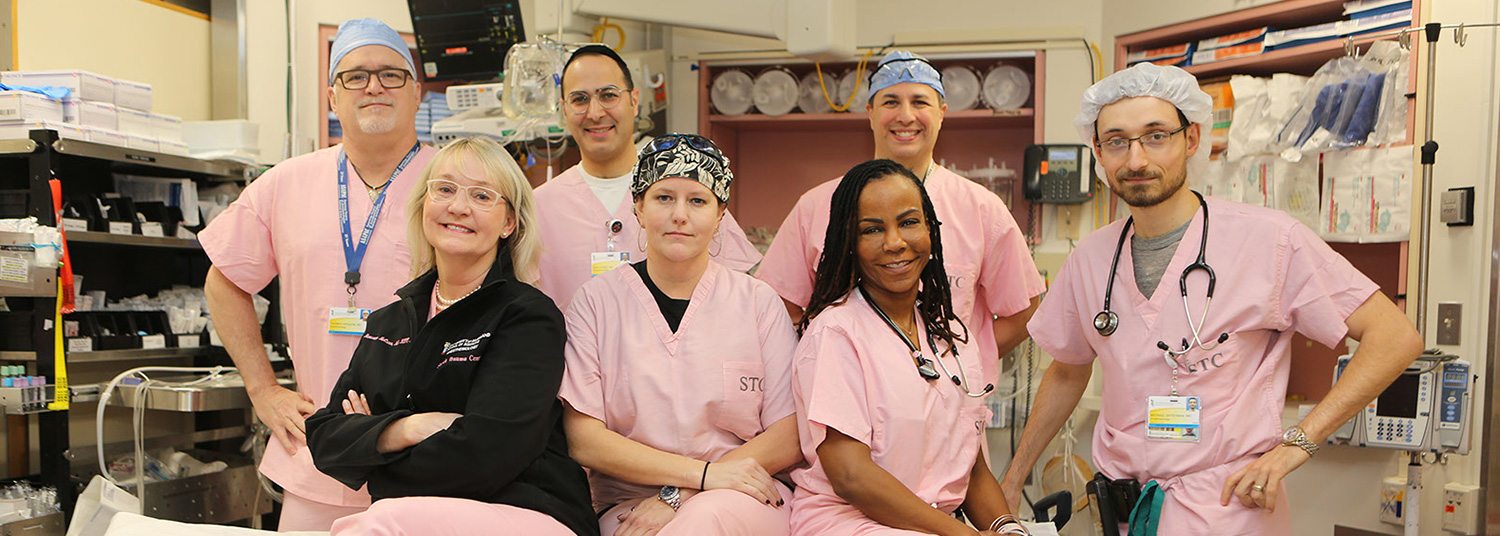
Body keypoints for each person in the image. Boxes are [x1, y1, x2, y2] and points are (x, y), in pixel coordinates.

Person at [998, 63, 1423, 534]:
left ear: (1192, 139)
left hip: (1227, 509)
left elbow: (1394, 337)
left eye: (1156, 135)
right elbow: (1068, 369)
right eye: (1116, 141)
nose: (1135, 159)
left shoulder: (1269, 240)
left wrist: (1297, 444)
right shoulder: (1092, 259)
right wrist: (1014, 476)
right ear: (1098, 152)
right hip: (1125, 509)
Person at [201, 18, 436, 530]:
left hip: (432, 450)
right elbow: (224, 282)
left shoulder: (455, 181)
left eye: (392, 75)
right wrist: (263, 390)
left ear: (417, 92)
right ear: (332, 97)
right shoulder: (285, 183)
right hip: (318, 450)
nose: (374, 86)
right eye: (355, 76)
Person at [304, 137, 597, 536]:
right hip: (420, 516)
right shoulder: (390, 321)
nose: (458, 207)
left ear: (509, 223)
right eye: (444, 189)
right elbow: (325, 438)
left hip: (529, 511)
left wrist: (376, 458)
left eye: (481, 195)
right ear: (424, 204)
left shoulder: (527, 316)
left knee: (376, 524)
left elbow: (487, 455)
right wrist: (409, 428)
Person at [757, 50, 1044, 388]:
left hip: (949, 408)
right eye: (891, 102)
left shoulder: (982, 209)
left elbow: (1024, 308)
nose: (906, 116)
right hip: (844, 402)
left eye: (920, 102)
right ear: (870, 113)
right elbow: (778, 309)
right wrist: (823, 366)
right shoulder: (817, 206)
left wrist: (959, 362)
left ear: (941, 114)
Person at [559, 134, 800, 536]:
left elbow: (787, 435)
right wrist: (698, 477)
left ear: (721, 213)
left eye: (698, 200)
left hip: (744, 495)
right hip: (630, 506)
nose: (680, 215)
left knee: (702, 523)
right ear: (638, 206)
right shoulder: (595, 303)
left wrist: (683, 492)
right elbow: (584, 439)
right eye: (664, 197)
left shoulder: (758, 303)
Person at [790, 159, 1026, 536]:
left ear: (931, 229)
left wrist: (1008, 528)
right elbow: (851, 475)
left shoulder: (949, 335)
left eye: (909, 222)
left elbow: (971, 467)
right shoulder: (836, 333)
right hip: (850, 523)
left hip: (933, 526)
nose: (895, 242)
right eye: (872, 230)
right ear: (849, 242)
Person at [534, 45, 761, 309]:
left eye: (608, 95)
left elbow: (738, 298)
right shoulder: (538, 207)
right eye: (579, 99)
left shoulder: (687, 189)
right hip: (575, 350)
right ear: (564, 109)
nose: (594, 113)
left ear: (634, 100)